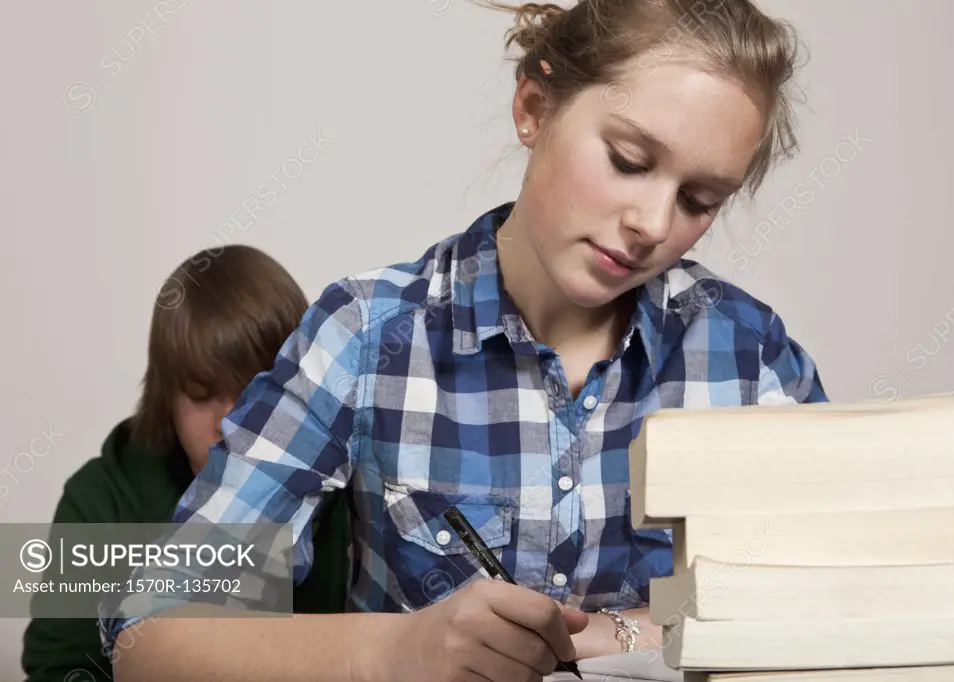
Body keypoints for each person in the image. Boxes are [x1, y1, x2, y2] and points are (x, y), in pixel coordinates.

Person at [103, 1, 827, 680]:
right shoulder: (367, 335)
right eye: (630, 160)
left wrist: (630, 632)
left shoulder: (749, 355)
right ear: (534, 109)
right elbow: (150, 637)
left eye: (699, 200)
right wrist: (396, 650)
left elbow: (843, 600)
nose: (653, 222)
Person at [22, 245, 352, 682]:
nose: (229, 421)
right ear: (166, 397)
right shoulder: (101, 499)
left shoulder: (354, 485)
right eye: (200, 395)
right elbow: (57, 671)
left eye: (255, 391)